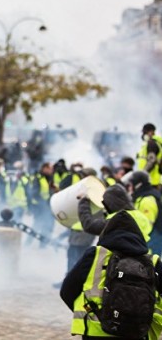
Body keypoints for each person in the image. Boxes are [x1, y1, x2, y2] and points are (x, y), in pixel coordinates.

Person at [60, 202, 162, 339]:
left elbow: (67, 290)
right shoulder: (153, 262)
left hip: (96, 332)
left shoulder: (95, 255)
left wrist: (89, 310)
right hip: (138, 333)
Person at [122, 170, 162, 256]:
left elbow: (146, 226)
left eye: (130, 185)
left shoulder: (147, 200)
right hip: (150, 240)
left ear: (138, 185)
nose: (129, 188)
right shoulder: (141, 197)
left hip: (153, 241)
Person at [136, 123, 162, 190]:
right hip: (152, 181)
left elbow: (151, 162)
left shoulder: (151, 144)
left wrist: (142, 176)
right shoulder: (154, 143)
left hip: (149, 182)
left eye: (145, 132)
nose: (143, 134)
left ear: (151, 132)